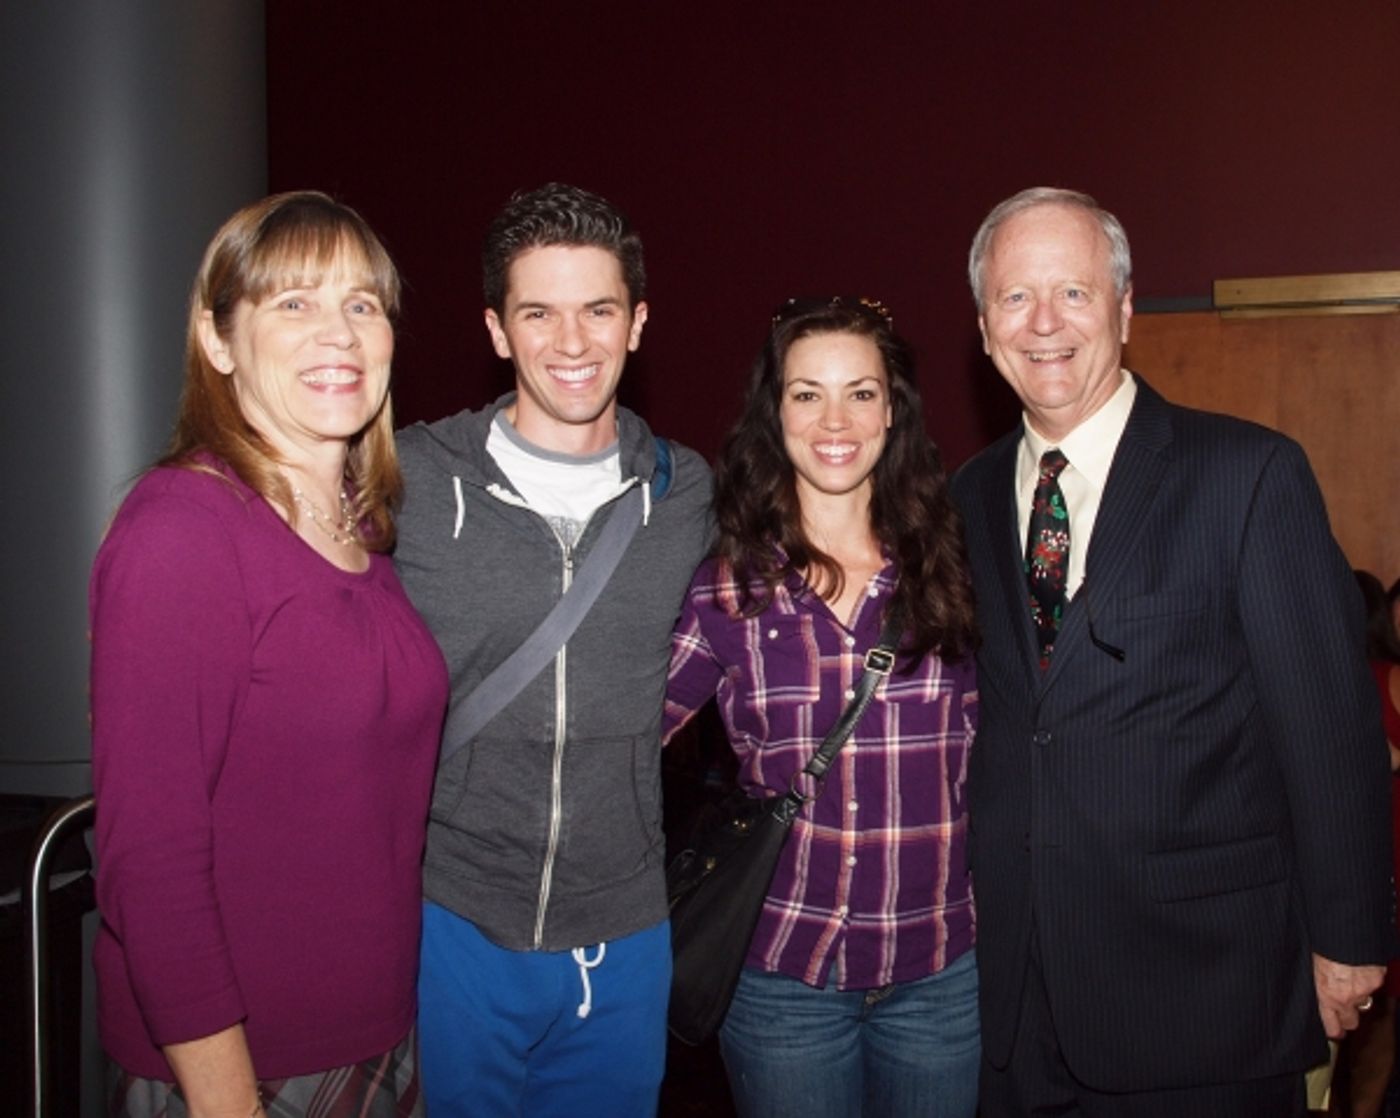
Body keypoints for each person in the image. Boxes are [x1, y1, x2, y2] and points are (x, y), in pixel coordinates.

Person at [949, 186, 1394, 1117]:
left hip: (1205, 992)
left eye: (1072, 293)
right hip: (1014, 1002)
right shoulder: (964, 498)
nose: (1043, 323)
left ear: (1124, 306)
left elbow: (1330, 726)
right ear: (984, 327)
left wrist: (1351, 936)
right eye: (1015, 298)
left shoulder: (1246, 474)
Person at [90, 191, 449, 1117]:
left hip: (372, 1037)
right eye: (293, 302)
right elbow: (151, 861)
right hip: (241, 1071)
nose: (338, 333)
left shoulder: (361, 532)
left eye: (361, 305)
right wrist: (227, 1104)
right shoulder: (185, 530)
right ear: (218, 341)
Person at [393, 182, 712, 1117]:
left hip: (625, 930)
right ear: (497, 329)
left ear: (638, 322)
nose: (572, 344)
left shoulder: (684, 490)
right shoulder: (409, 475)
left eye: (598, 310)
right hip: (452, 921)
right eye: (539, 312)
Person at [664, 296, 981, 1117]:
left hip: (941, 977)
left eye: (861, 392)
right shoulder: (729, 589)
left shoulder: (955, 569)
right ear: (776, 413)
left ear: (893, 411)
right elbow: (617, 742)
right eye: (807, 393)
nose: (834, 418)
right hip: (783, 984)